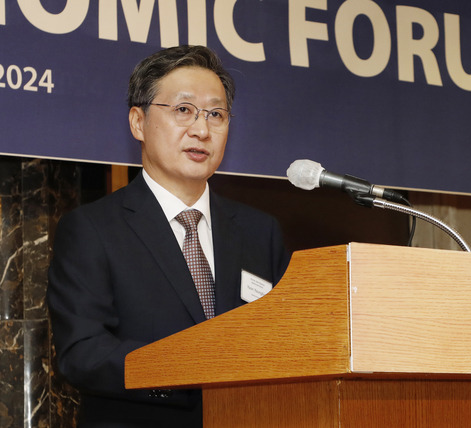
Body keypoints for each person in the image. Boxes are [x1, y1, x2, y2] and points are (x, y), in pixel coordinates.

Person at [47, 45, 291, 427]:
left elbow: (285, 341)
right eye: (183, 110)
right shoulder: (93, 229)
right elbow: (83, 353)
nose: (201, 129)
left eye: (216, 114)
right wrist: (189, 367)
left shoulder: (262, 231)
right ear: (138, 123)